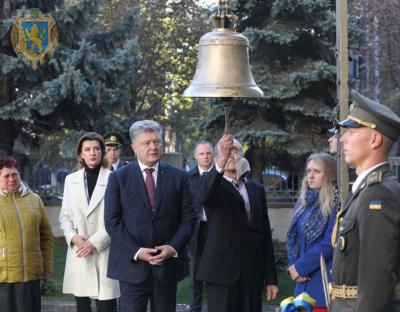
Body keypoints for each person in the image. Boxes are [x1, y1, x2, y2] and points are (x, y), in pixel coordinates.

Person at [104, 120, 195, 312]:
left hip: (167, 267)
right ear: (134, 147)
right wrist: (137, 251)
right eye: (147, 143)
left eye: (157, 141)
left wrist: (173, 247)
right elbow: (112, 222)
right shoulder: (118, 178)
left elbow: (189, 218)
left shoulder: (179, 176)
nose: (153, 147)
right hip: (132, 267)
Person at [329, 90, 400, 312]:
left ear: (375, 139)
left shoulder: (378, 193)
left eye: (351, 131)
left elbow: (377, 277)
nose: (342, 138)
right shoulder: (367, 189)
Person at [197, 133, 279, 312]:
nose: (232, 155)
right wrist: (220, 161)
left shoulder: (256, 189)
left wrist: (271, 278)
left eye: (236, 151)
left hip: (252, 273)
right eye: (228, 151)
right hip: (221, 273)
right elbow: (204, 196)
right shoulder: (211, 183)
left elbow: (264, 234)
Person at [59, 132, 120, 312]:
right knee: (82, 305)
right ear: (81, 154)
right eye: (87, 149)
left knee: (107, 305)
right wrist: (73, 237)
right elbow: (65, 216)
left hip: (105, 250)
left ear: (102, 152)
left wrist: (95, 242)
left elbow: (118, 217)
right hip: (80, 252)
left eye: (96, 149)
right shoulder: (71, 180)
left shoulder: (115, 178)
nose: (92, 153)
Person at [0, 156, 53, 312]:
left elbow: (46, 236)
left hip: (31, 273)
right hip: (4, 275)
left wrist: (47, 266)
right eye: (6, 176)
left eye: (14, 174)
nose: (11, 179)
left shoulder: (34, 200)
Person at [286, 152, 337, 311]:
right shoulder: (304, 203)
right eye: (309, 171)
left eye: (317, 171)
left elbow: (329, 243)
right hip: (301, 282)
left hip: (321, 281)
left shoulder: (335, 204)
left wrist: (300, 267)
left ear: (329, 175)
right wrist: (294, 267)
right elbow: (293, 239)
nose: (311, 176)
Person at [188, 140, 214, 312]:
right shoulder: (187, 177)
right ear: (195, 156)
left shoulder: (220, 175)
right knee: (195, 277)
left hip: (216, 231)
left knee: (215, 275)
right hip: (196, 231)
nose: (205, 157)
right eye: (201, 154)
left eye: (208, 153)